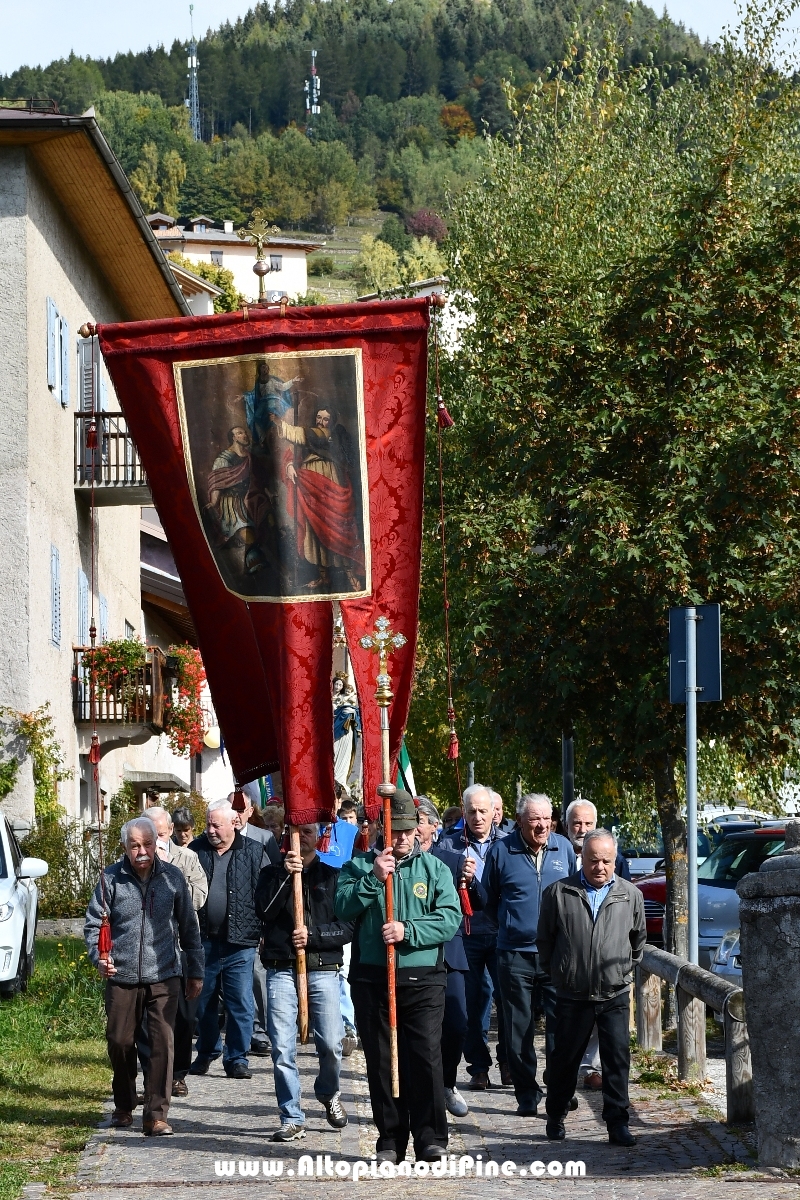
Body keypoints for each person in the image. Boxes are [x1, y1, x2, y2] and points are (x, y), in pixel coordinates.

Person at [335, 790, 461, 1165]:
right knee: (381, 1060)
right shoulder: (357, 866)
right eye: (395, 832)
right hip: (373, 977)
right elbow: (342, 907)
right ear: (379, 830)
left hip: (423, 978)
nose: (403, 838)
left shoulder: (434, 869)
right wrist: (374, 879)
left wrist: (410, 930)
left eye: (408, 830)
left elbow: (449, 918)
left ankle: (431, 1137)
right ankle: (390, 1138)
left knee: (425, 1057)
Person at [84, 816, 203, 1136]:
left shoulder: (173, 878)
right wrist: (100, 958)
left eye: (148, 845)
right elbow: (94, 925)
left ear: (157, 844)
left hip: (164, 974)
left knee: (163, 1043)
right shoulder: (110, 879)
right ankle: (124, 1105)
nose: (142, 852)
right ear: (125, 847)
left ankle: (156, 1114)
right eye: (135, 846)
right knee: (119, 1042)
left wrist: (195, 972)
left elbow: (190, 929)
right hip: (121, 976)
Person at [539, 829, 646, 1146]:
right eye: (593, 860)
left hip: (613, 993)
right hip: (573, 994)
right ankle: (556, 1114)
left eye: (607, 861)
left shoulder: (630, 895)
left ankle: (617, 1123)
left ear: (615, 861)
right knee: (565, 1061)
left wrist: (623, 970)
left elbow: (637, 942)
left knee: (617, 1060)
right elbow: (545, 941)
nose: (600, 867)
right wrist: (562, 973)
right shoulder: (559, 893)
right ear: (581, 859)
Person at [255, 821, 354, 1141]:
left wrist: (312, 936)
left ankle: (328, 1092)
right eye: (295, 832)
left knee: (330, 1044)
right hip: (281, 969)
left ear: (318, 836)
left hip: (323, 968)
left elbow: (347, 928)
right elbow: (265, 912)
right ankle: (292, 1114)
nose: (301, 838)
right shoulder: (271, 874)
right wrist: (286, 876)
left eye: (307, 832)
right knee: (282, 1047)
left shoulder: (332, 876)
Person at [483, 792, 576, 1116]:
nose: (541, 825)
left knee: (560, 1027)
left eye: (546, 818)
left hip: (556, 956)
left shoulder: (563, 848)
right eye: (534, 819)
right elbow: (489, 900)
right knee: (518, 1028)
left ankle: (559, 1089)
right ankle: (527, 1093)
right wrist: (512, 927)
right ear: (520, 820)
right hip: (514, 956)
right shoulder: (501, 851)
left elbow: (574, 895)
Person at [189, 800, 271, 1079]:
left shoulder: (254, 851)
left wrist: (265, 932)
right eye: (208, 824)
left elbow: (267, 896)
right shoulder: (195, 851)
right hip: (204, 941)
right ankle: (208, 1050)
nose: (210, 830)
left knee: (240, 1002)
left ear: (233, 824)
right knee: (204, 1002)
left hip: (241, 942)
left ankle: (236, 1057)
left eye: (216, 824)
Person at [440, 785, 509, 1091]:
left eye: (484, 811)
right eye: (472, 811)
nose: (478, 817)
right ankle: (478, 1066)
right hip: (465, 932)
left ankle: (509, 1062)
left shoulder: (508, 844)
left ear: (495, 812)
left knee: (508, 1001)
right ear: (463, 812)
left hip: (500, 933)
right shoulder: (450, 844)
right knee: (469, 1003)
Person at [137, 808, 208, 1099]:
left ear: (169, 832)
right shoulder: (133, 860)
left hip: (179, 950)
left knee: (183, 1018)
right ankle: (152, 1077)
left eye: (160, 834)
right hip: (145, 952)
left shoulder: (187, 857)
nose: (155, 841)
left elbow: (201, 897)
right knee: (144, 1020)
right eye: (148, 835)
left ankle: (178, 1073)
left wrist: (170, 881)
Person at [423, 798, 486, 1120]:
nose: (416, 827)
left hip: (451, 953)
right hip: (414, 955)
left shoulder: (453, 857)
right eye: (411, 820)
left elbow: (477, 902)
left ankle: (447, 1083)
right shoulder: (390, 860)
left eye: (422, 820)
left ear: (435, 826)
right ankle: (422, 1093)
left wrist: (470, 880)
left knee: (458, 1023)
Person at [564, 799, 631, 1091]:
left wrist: (625, 960)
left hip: (610, 970)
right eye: (577, 823)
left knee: (614, 1043)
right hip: (572, 969)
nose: (582, 829)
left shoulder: (617, 860)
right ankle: (562, 1092)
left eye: (588, 823)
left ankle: (594, 1070)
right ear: (567, 826)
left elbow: (632, 922)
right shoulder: (560, 854)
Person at [273, 405, 365, 592]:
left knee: (337, 527)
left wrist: (279, 423)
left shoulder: (332, 435)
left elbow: (303, 435)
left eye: (325, 418)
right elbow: (292, 452)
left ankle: (350, 575)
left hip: (329, 478)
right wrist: (290, 464)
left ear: (332, 421)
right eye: (318, 417)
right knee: (313, 527)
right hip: (309, 480)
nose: (320, 421)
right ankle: (323, 576)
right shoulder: (310, 436)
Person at [228, 790, 280, 1057]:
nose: (235, 815)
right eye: (232, 809)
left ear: (250, 812)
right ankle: (242, 1032)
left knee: (258, 977)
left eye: (240, 810)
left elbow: (272, 880)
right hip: (226, 924)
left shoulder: (264, 838)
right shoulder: (219, 839)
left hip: (255, 921)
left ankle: (262, 1032)